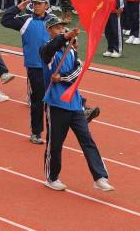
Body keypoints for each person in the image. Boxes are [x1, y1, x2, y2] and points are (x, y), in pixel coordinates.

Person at [39, 18, 113, 192]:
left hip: (74, 103)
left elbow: (78, 71)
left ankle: (100, 177)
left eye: (62, 27)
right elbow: (50, 48)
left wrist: (63, 78)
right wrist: (65, 37)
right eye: (57, 28)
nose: (61, 30)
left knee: (87, 140)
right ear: (49, 31)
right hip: (56, 103)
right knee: (55, 144)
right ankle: (52, 177)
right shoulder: (46, 50)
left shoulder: (71, 51)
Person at [2, 0, 57, 143]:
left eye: (40, 3)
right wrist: (17, 8)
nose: (36, 6)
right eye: (35, 4)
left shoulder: (53, 21)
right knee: (38, 101)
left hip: (53, 66)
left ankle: (61, 126)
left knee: (58, 97)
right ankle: (36, 132)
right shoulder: (25, 20)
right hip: (35, 67)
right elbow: (5, 21)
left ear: (46, 5)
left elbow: (62, 36)